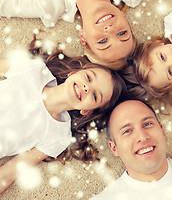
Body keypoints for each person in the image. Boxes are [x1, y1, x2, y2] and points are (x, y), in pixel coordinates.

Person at [0, 0, 172, 69]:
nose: (110, 30)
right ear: (125, 19)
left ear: (83, 37)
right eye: (122, 33)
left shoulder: (45, 6)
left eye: (102, 41)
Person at [0, 47, 126, 193]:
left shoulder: (59, 136)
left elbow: (11, 171)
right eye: (89, 78)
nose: (87, 87)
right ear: (73, 73)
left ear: (87, 111)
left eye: (95, 96)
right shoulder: (35, 70)